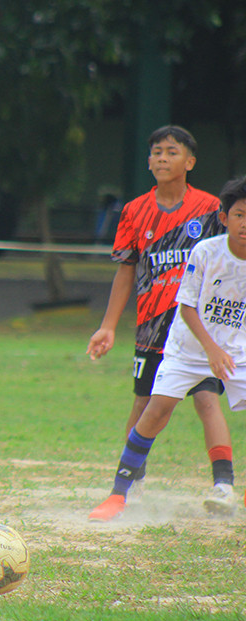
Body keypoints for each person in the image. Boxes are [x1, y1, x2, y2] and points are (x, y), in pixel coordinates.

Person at [87, 125, 233, 520]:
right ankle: (129, 485)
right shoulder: (134, 211)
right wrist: (108, 325)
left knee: (206, 399)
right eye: (156, 152)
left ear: (190, 161)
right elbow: (126, 271)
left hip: (200, 328)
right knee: (145, 403)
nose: (162, 159)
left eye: (171, 152)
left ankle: (223, 486)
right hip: (153, 326)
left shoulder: (211, 210)